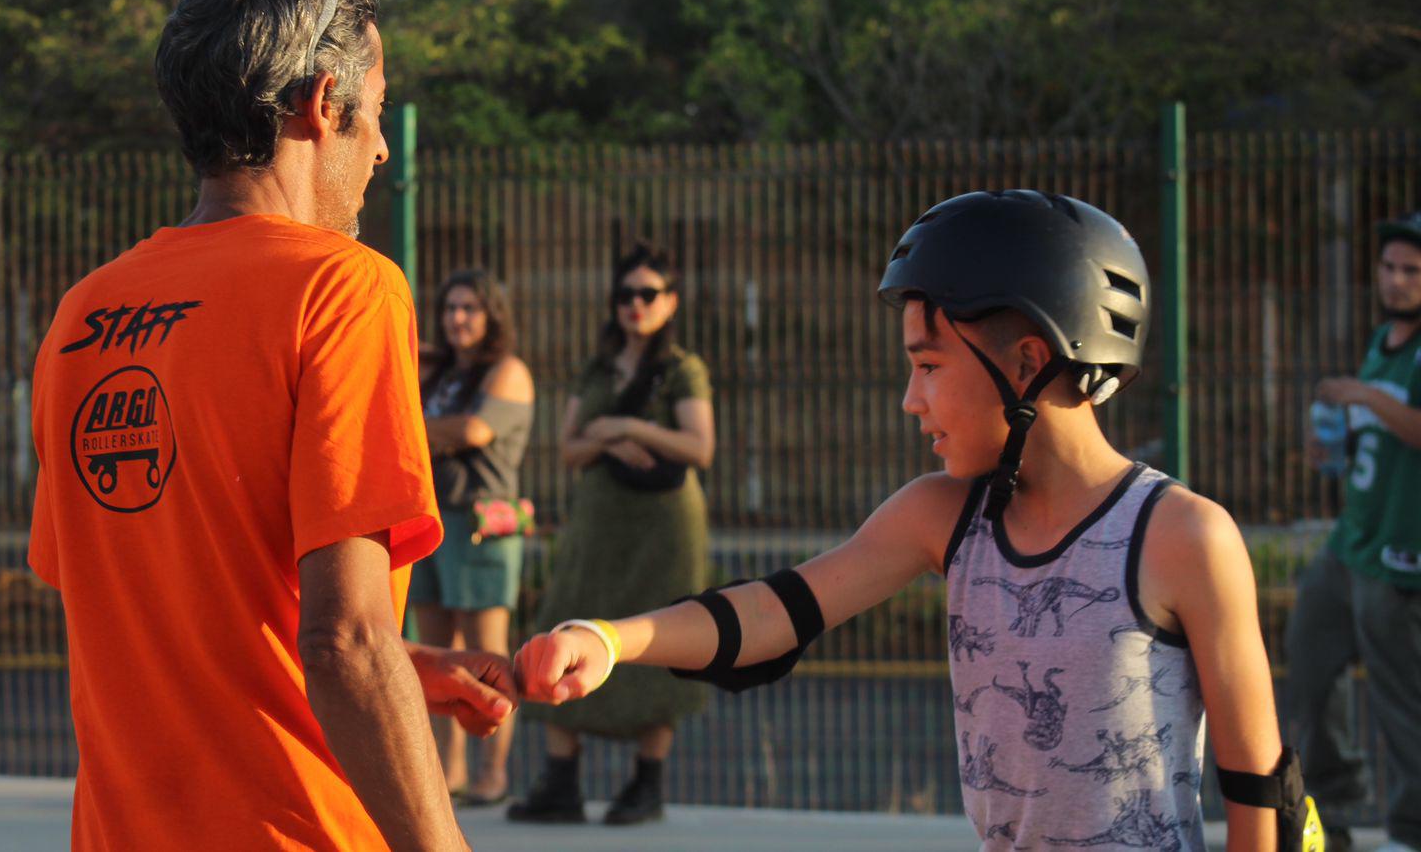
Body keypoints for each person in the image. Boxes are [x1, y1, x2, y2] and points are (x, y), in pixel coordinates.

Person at [516, 191, 1316, 851]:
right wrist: (609, 640)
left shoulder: (1182, 536)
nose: (911, 400)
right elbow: (776, 611)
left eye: (928, 367)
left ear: (1028, 364)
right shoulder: (946, 516)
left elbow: (1260, 786)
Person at [27, 0, 515, 852]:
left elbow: (166, 617)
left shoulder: (81, 316)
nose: (379, 146)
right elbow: (345, 641)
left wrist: (401, 675)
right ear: (320, 104)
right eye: (374, 110)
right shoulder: (344, 288)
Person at [508, 242, 716, 827]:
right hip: (599, 521)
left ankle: (646, 784)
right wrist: (605, 441)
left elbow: (700, 446)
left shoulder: (682, 369)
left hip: (664, 525)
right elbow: (570, 449)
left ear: (670, 303)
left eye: (648, 294)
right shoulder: (597, 368)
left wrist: (627, 426)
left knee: (659, 632)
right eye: (626, 294)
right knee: (568, 615)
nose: (635, 305)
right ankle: (561, 782)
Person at [1287, 211, 1421, 852]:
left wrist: (1363, 398)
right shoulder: (1383, 339)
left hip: (1402, 553)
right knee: (1308, 658)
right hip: (1351, 542)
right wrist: (1328, 443)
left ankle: (1410, 829)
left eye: (1412, 271)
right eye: (1390, 267)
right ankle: (1333, 812)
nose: (1397, 280)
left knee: (1402, 700)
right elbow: (1382, 437)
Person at [411, 270, 536, 806]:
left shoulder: (507, 371)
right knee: (441, 655)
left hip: (485, 523)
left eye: (470, 308)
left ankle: (494, 774)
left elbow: (474, 432)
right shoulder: (440, 371)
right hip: (432, 515)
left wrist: (408, 424)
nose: (458, 318)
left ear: (491, 316)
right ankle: (450, 775)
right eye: (451, 307)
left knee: (488, 654)